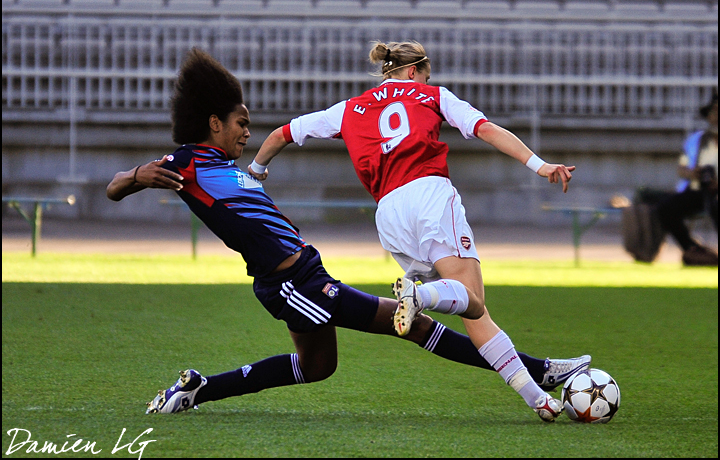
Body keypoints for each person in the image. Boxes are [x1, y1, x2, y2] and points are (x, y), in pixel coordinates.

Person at [107, 48, 587, 421]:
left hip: (304, 273)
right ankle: (540, 371)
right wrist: (135, 175)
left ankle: (200, 387)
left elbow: (277, 147)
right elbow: (114, 188)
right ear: (214, 123)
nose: (247, 132)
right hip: (294, 284)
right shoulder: (187, 162)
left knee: (316, 367)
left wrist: (258, 168)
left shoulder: (224, 163)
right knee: (415, 324)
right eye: (241, 123)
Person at [249, 40, 582, 418]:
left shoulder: (348, 109)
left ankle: (537, 398)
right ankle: (419, 296)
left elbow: (281, 134)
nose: (427, 82)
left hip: (389, 214)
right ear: (413, 72)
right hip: (429, 195)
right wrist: (539, 165)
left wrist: (257, 171)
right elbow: (486, 129)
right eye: (426, 76)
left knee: (471, 309)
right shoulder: (433, 96)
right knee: (473, 300)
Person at [656, 88, 718, 266]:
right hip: (698, 189)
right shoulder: (696, 140)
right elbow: (682, 167)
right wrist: (692, 173)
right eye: (714, 111)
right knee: (666, 207)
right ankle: (692, 249)